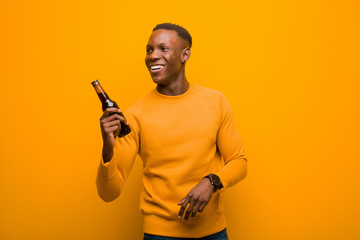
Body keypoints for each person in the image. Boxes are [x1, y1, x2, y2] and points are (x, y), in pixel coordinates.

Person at [96, 23, 248, 240]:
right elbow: (109, 193)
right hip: (160, 235)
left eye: (163, 48)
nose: (153, 56)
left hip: (213, 232)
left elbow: (239, 161)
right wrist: (107, 149)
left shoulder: (216, 102)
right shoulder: (135, 115)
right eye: (149, 50)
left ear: (185, 54)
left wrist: (211, 181)